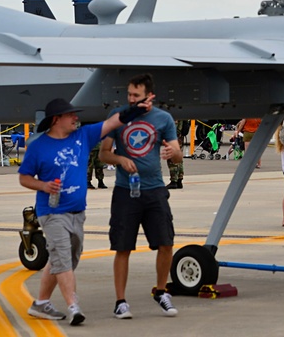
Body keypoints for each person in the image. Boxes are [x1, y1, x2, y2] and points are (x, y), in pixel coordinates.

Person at [19, 97, 141, 325]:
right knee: (63, 258)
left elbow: (113, 123)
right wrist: (43, 186)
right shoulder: (38, 147)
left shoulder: (83, 136)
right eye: (71, 115)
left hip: (77, 213)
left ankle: (40, 303)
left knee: (65, 259)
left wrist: (135, 109)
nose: (76, 118)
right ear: (57, 120)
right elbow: (24, 178)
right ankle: (74, 307)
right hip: (52, 212)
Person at [99, 73, 182, 320]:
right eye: (129, 95)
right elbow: (104, 154)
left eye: (136, 95)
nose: (131, 100)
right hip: (126, 190)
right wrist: (121, 159)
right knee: (123, 246)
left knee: (166, 242)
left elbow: (177, 155)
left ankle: (161, 292)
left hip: (154, 189)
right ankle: (121, 301)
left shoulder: (163, 119)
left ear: (150, 96)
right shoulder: (119, 117)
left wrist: (173, 151)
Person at [166, 119, 186, 189]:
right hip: (179, 137)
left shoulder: (175, 115)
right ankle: (179, 180)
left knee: (172, 158)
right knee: (179, 159)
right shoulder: (182, 113)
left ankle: (174, 180)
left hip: (174, 138)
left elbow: (173, 129)